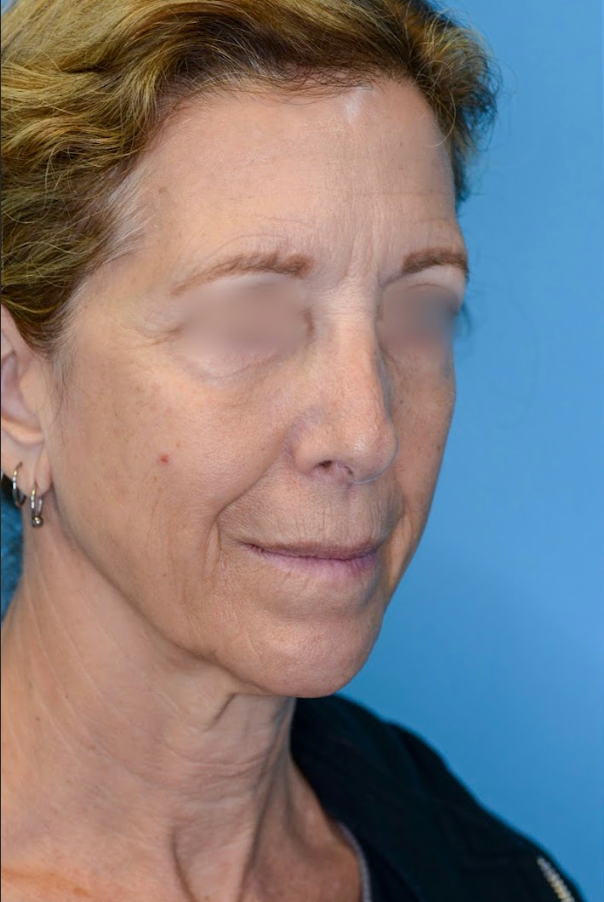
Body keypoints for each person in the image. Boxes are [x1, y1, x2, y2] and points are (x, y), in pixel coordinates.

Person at [0, 1, 586, 900]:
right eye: (250, 319)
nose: (368, 434)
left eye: (419, 309)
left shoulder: (492, 873)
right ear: (18, 393)